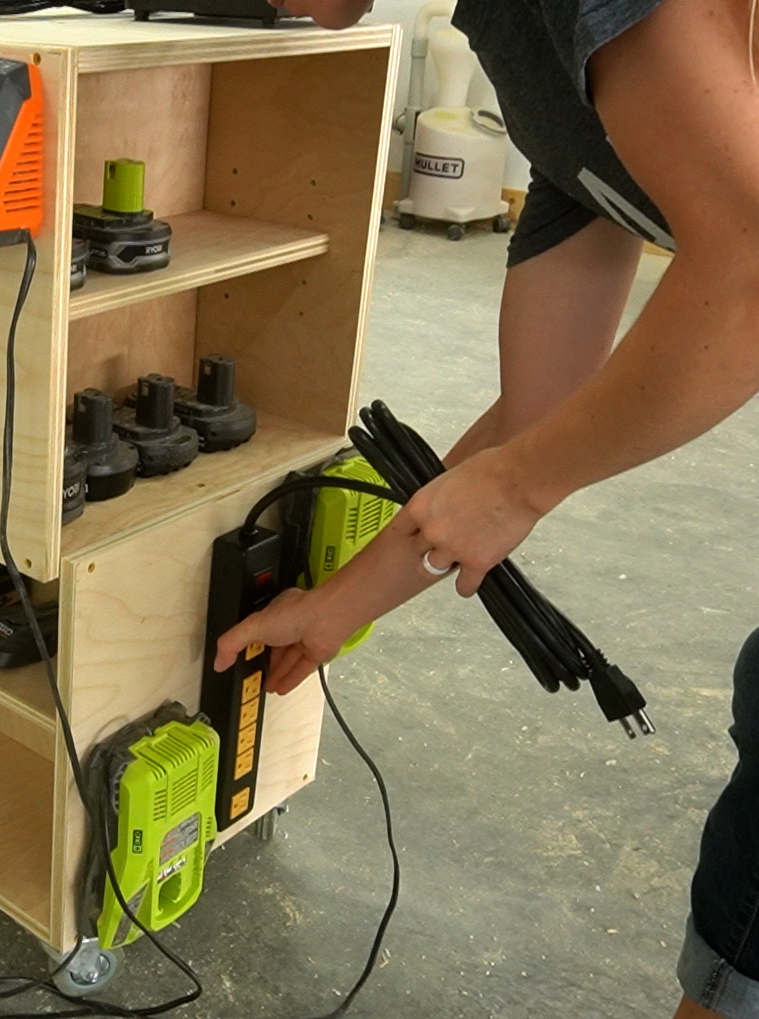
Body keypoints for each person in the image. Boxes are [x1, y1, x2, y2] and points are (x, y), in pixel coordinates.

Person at [212, 1, 759, 1017]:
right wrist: (340, 602)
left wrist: (517, 488)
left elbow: (752, 266)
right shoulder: (540, 70)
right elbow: (536, 414)